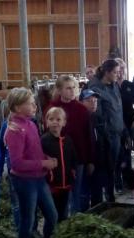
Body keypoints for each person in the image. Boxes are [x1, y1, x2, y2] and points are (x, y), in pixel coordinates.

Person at [3, 87, 59, 238]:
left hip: (38, 178)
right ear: (18, 107)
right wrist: (43, 163)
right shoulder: (15, 130)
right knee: (27, 222)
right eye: (30, 102)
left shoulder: (30, 123)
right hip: (25, 181)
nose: (35, 105)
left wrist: (46, 159)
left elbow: (34, 150)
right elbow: (17, 164)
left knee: (52, 215)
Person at [47, 75, 95, 213]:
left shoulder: (82, 109)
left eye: (74, 87)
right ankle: (62, 220)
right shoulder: (52, 109)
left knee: (77, 191)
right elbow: (47, 134)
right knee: (61, 192)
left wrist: (90, 160)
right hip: (58, 158)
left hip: (78, 158)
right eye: (68, 88)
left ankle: (76, 219)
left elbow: (89, 136)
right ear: (59, 90)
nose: (72, 91)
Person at [88, 59, 125, 202]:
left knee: (114, 165)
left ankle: (110, 193)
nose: (118, 74)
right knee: (106, 167)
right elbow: (98, 117)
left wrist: (124, 131)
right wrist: (107, 136)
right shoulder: (95, 88)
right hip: (106, 136)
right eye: (115, 72)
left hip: (117, 132)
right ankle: (107, 197)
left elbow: (118, 109)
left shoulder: (114, 85)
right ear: (107, 72)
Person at [41, 107, 77, 222]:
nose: (55, 122)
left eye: (58, 119)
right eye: (51, 119)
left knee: (63, 211)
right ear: (46, 122)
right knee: (52, 214)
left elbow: (73, 158)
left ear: (64, 122)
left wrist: (73, 172)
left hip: (66, 183)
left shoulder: (68, 140)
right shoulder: (43, 140)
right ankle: (50, 235)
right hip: (51, 185)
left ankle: (61, 234)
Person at [80, 88, 111, 207]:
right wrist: (89, 162)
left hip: (100, 162)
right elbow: (85, 143)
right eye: (89, 100)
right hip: (88, 164)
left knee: (97, 194)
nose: (93, 103)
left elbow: (102, 141)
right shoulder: (82, 120)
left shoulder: (98, 118)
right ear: (81, 102)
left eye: (95, 100)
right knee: (85, 195)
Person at [115, 57, 134, 193]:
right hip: (114, 125)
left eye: (122, 69)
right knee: (116, 153)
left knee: (126, 151)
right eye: (117, 69)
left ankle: (128, 180)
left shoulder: (130, 86)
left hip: (128, 123)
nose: (120, 72)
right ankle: (118, 181)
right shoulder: (110, 87)